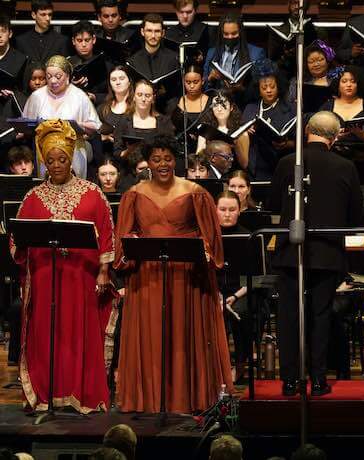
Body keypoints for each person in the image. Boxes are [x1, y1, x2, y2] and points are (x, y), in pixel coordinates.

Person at [114, 134, 233, 413]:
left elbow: (211, 236)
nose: (163, 164)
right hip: (148, 277)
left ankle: (186, 398)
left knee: (182, 338)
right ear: (148, 163)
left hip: (185, 278)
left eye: (168, 158)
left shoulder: (196, 193)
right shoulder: (134, 194)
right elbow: (123, 237)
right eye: (156, 159)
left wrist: (202, 250)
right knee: (151, 338)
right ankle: (150, 400)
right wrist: (133, 243)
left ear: (175, 160)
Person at [11, 119, 115, 413]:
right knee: (48, 333)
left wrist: (104, 271)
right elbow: (18, 241)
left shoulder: (93, 193)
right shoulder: (32, 198)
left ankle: (79, 392)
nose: (56, 165)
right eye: (51, 160)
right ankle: (47, 394)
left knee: (78, 334)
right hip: (46, 279)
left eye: (62, 159)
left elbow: (106, 234)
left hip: (80, 278)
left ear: (72, 159)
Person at [267, 111, 363, 396]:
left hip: (290, 251)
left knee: (289, 316)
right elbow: (355, 214)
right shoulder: (345, 166)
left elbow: (273, 206)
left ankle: (290, 380)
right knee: (320, 316)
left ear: (307, 130)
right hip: (327, 252)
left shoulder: (287, 163)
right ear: (335, 137)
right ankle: (319, 379)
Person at [22, 55, 102, 179]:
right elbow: (26, 123)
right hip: (45, 152)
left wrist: (79, 125)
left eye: (58, 76)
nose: (53, 80)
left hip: (73, 150)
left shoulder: (79, 97)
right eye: (49, 77)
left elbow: (94, 127)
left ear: (67, 76)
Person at [215, 191, 251, 384]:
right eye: (222, 209)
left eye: (232, 210)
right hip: (214, 292)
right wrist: (218, 295)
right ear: (215, 211)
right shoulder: (208, 238)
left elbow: (256, 276)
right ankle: (214, 366)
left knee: (241, 313)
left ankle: (240, 364)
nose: (227, 214)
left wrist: (234, 297)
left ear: (239, 211)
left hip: (241, 292)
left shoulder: (248, 237)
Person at [241, 61, 295, 181]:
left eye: (272, 86)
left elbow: (299, 141)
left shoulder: (290, 108)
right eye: (264, 88)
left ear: (279, 86)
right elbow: (240, 135)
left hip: (281, 162)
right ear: (258, 90)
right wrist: (245, 131)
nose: (269, 90)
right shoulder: (251, 108)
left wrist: (286, 144)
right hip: (255, 163)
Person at [112, 80, 175, 167]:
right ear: (134, 97)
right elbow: (116, 154)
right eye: (139, 95)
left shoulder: (164, 122)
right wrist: (128, 151)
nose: (143, 99)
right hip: (130, 171)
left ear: (153, 98)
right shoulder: (124, 121)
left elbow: (170, 151)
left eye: (147, 95)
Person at [203, 13, 265, 99]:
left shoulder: (256, 53)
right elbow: (203, 88)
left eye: (234, 33)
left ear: (240, 31)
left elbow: (262, 89)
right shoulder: (211, 53)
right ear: (221, 33)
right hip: (218, 104)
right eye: (226, 34)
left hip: (243, 104)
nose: (230, 37)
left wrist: (242, 88)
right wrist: (210, 79)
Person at [127, 14, 179, 111]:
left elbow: (176, 90)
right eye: (149, 31)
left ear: (163, 33)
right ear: (142, 32)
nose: (153, 35)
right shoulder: (133, 60)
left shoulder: (174, 58)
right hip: (140, 106)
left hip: (166, 106)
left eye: (157, 31)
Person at [322, 65, 364, 149]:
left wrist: (362, 135)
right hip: (334, 151)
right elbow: (318, 134)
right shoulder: (327, 107)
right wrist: (335, 136)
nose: (349, 85)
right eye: (344, 81)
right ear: (337, 84)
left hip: (362, 152)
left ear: (358, 84)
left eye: (353, 81)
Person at [196, 89, 249, 170]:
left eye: (223, 105)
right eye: (215, 105)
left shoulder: (241, 132)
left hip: (233, 175)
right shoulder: (206, 129)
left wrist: (237, 146)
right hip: (211, 174)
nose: (219, 109)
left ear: (231, 107)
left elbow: (244, 164)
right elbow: (199, 157)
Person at [166, 63, 212, 152]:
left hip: (205, 150)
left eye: (195, 82)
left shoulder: (211, 103)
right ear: (183, 81)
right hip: (180, 149)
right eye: (188, 82)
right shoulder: (174, 103)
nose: (191, 86)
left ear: (202, 81)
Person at [14, 0, 69, 66]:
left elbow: (64, 69)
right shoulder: (21, 41)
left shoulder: (61, 40)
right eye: (43, 14)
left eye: (50, 14)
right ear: (33, 15)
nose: (48, 18)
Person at [68, 20, 106, 105]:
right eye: (79, 40)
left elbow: (111, 94)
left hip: (98, 107)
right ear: (73, 41)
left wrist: (95, 97)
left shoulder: (104, 62)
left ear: (94, 39)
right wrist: (71, 86)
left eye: (87, 40)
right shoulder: (67, 64)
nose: (84, 44)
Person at [98, 66, 134, 152]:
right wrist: (103, 137)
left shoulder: (139, 106)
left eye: (122, 78)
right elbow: (93, 133)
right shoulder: (103, 108)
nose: (118, 82)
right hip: (108, 153)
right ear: (110, 84)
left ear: (129, 81)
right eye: (113, 80)